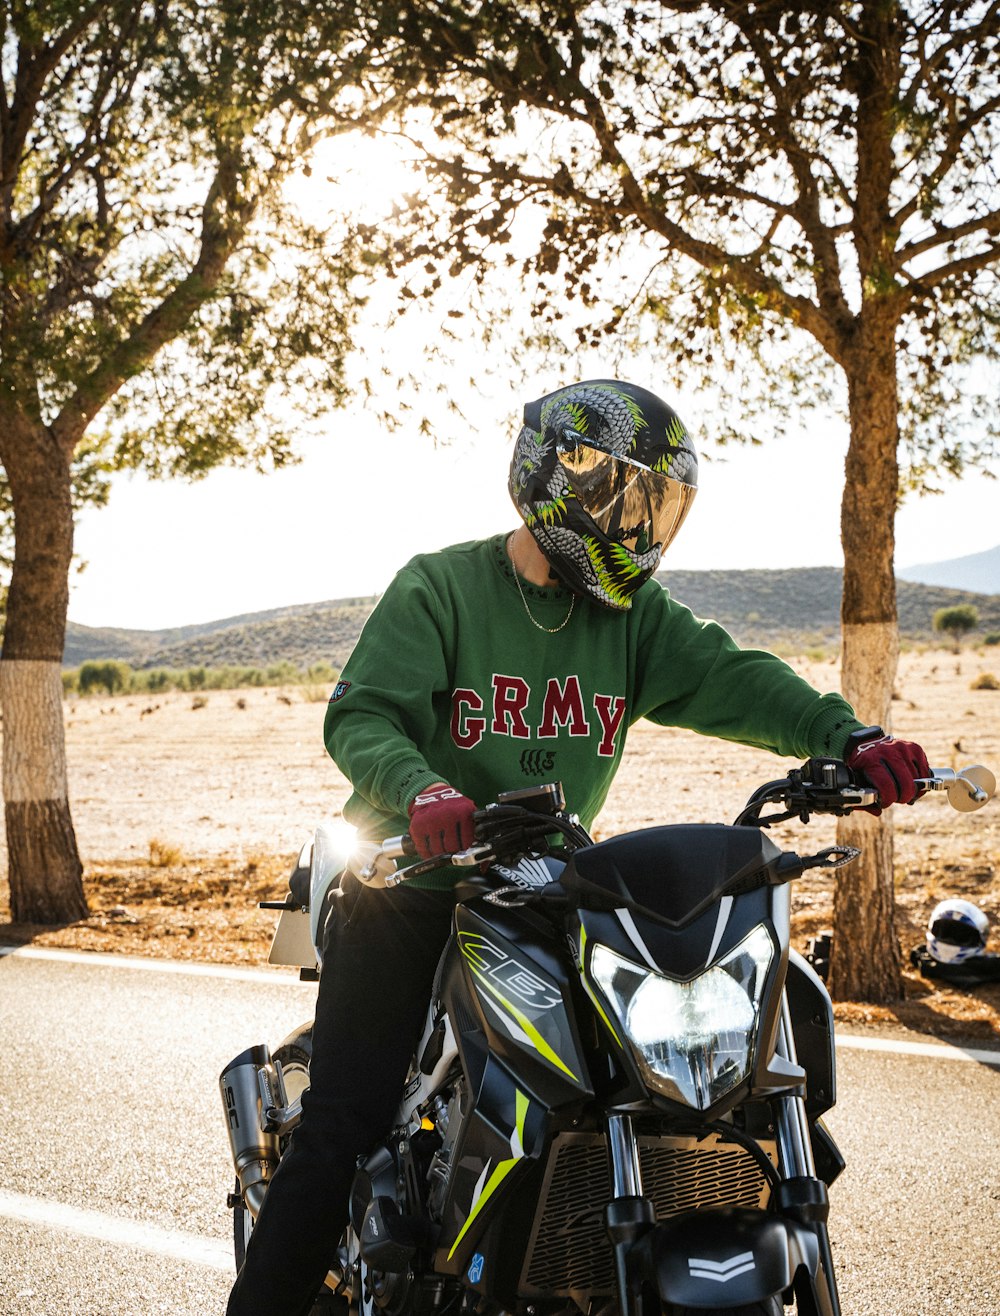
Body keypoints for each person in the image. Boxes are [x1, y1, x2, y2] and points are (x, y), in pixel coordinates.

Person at [227, 379, 929, 1315]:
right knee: (341, 1124)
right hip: (414, 880)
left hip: (551, 889)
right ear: (558, 474)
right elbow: (362, 715)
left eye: (656, 507)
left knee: (650, 1087)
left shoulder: (632, 622)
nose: (637, 527)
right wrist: (424, 790)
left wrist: (847, 738)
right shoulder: (441, 586)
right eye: (622, 496)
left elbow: (737, 677)